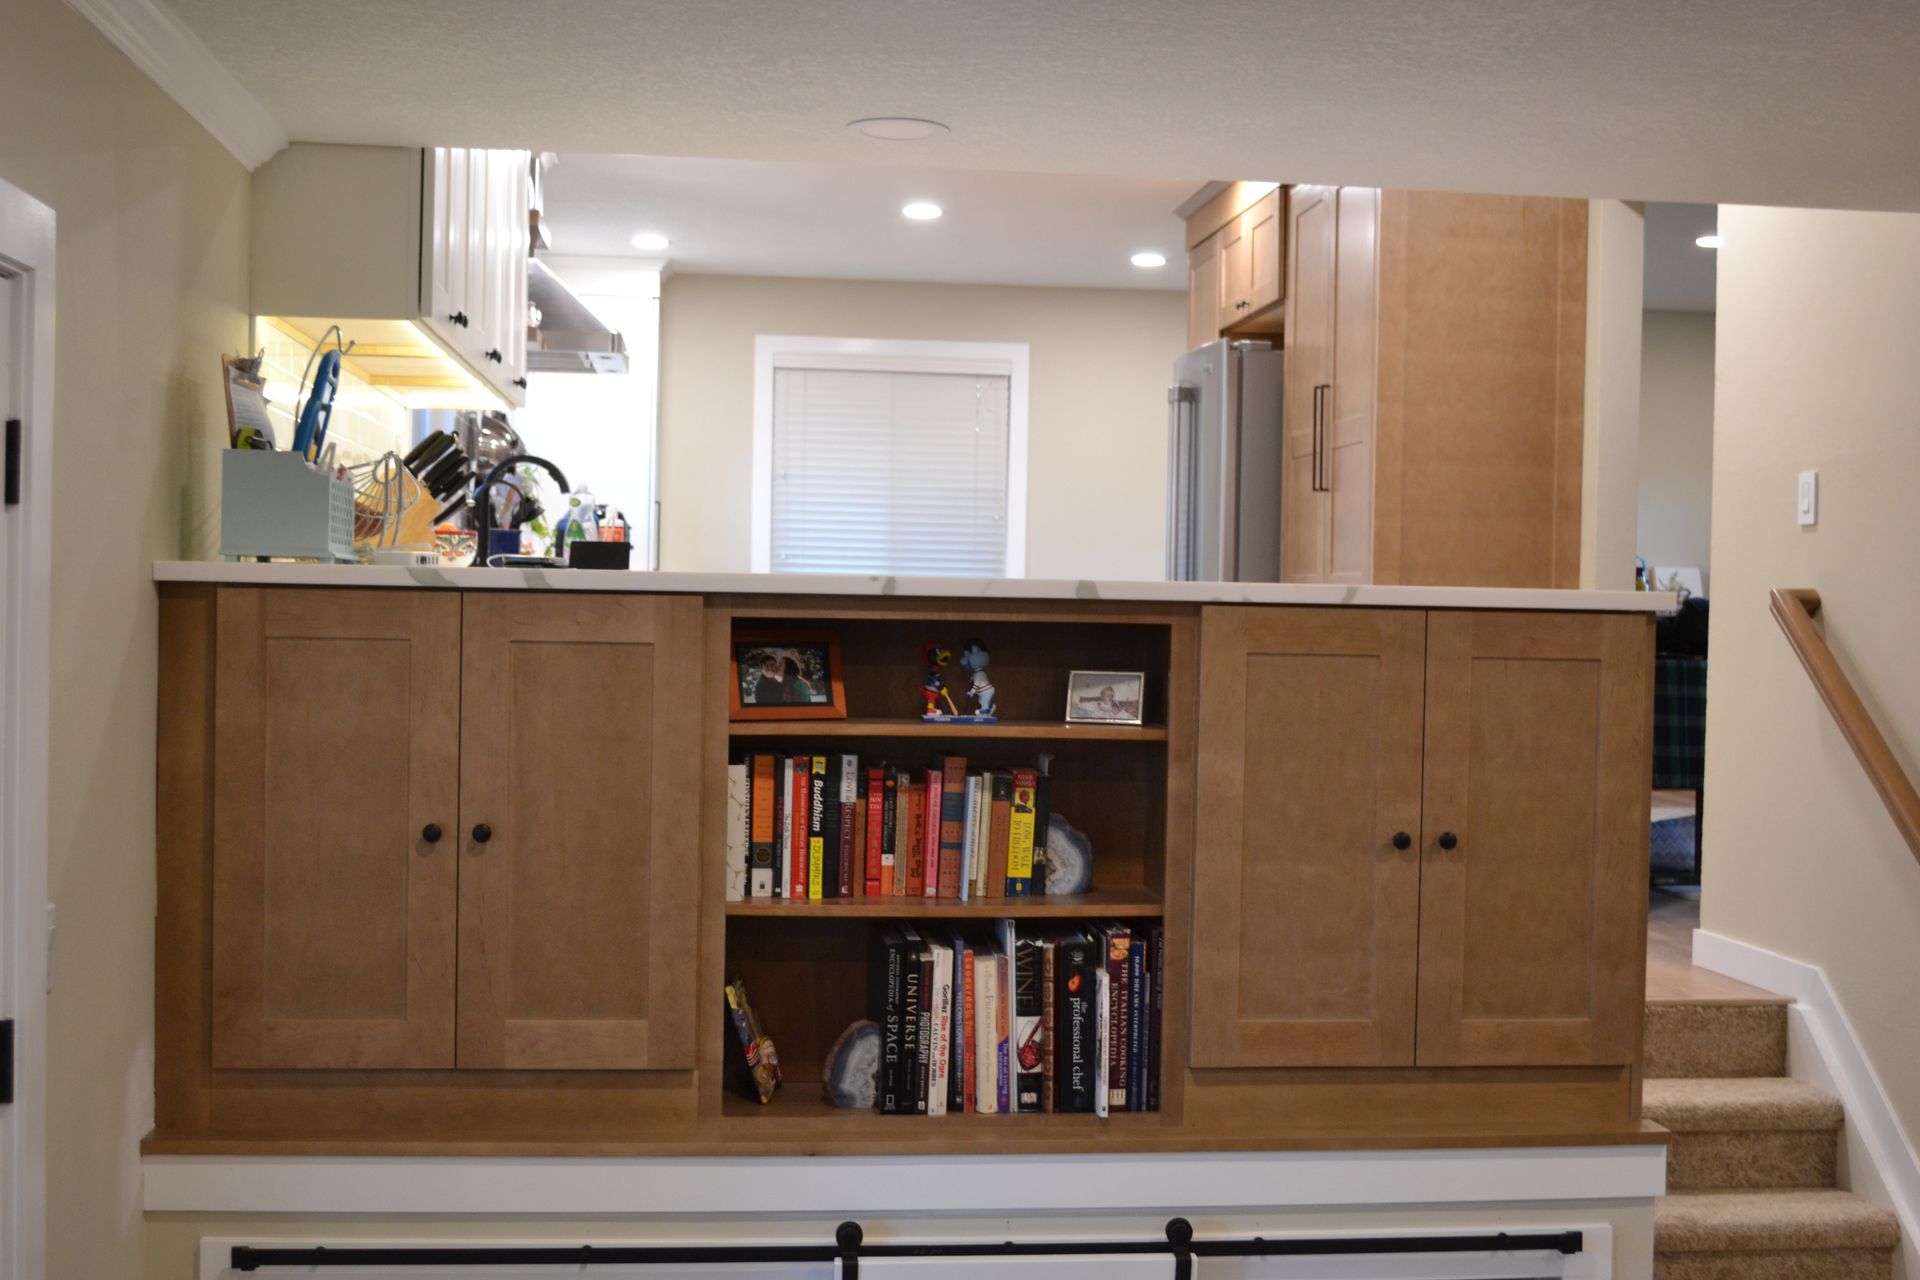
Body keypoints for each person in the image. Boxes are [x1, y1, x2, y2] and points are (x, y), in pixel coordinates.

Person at [745, 649, 814, 705]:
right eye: (766, 665)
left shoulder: (794, 685)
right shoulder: (762, 686)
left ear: (787, 667)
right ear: (761, 669)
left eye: (773, 665)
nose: (770, 668)